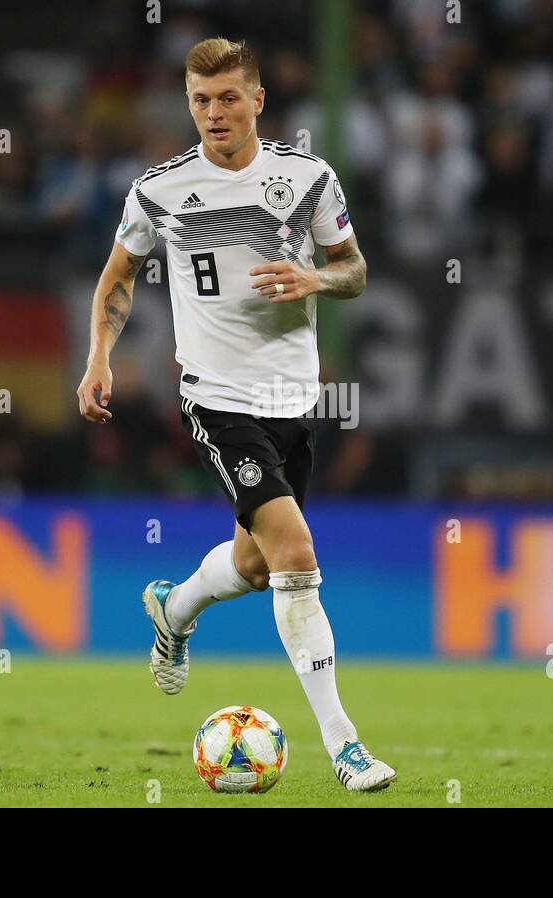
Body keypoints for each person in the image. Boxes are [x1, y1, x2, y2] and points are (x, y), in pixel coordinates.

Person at [75, 38, 396, 792]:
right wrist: (98, 358)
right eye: (199, 100)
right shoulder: (159, 189)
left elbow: (354, 270)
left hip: (294, 399)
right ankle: (345, 744)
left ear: (258, 100)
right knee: (294, 550)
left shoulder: (306, 177)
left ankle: (174, 606)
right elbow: (117, 277)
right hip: (218, 398)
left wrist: (313, 276)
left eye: (226, 98)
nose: (212, 113)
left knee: (255, 565)